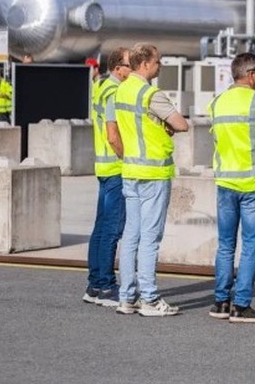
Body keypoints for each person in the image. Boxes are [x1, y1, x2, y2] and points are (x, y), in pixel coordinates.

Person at [113, 42, 190, 317]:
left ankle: (127, 296)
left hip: (131, 170)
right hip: (154, 172)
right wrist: (166, 125)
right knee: (150, 238)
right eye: (158, 62)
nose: (160, 66)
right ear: (145, 64)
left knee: (131, 235)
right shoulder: (150, 94)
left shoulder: (120, 91)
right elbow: (182, 124)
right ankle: (149, 298)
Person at [208, 52, 255, 324]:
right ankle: (241, 305)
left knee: (226, 244)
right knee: (251, 246)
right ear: (252, 75)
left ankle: (220, 301)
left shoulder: (218, 103)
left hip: (226, 182)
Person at [81, 47, 129, 308]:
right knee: (112, 228)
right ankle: (107, 287)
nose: (132, 70)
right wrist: (128, 159)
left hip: (103, 166)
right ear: (118, 68)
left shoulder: (100, 87)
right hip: (116, 168)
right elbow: (114, 135)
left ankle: (95, 283)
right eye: (129, 65)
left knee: (100, 227)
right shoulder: (115, 92)